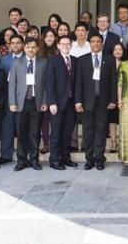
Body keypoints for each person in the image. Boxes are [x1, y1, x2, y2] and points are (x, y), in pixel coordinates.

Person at [75, 34, 118, 170]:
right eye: (92, 42)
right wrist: (78, 101)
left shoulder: (109, 59)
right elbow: (78, 83)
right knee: (88, 131)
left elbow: (113, 81)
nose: (95, 44)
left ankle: (100, 158)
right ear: (90, 43)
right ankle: (89, 159)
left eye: (98, 42)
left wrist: (113, 100)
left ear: (102, 43)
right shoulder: (82, 60)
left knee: (101, 129)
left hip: (104, 101)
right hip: (87, 101)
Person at [9, 37, 47, 171]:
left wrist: (44, 101)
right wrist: (12, 102)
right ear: (24, 48)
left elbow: (46, 85)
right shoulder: (16, 62)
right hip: (21, 102)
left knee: (35, 133)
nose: (30, 49)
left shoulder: (43, 63)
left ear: (37, 48)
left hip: (36, 102)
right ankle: (21, 160)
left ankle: (34, 160)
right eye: (28, 47)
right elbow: (12, 83)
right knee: (21, 133)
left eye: (33, 47)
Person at [45, 36, 78, 170]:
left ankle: (65, 158)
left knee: (67, 132)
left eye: (68, 44)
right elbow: (49, 83)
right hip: (57, 103)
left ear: (71, 46)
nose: (65, 46)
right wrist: (52, 102)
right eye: (63, 44)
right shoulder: (53, 61)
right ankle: (54, 160)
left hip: (71, 103)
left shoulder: (75, 61)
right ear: (58, 46)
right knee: (56, 133)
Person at [0, 34, 24, 165]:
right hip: (8, 97)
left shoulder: (28, 58)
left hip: (24, 98)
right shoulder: (4, 60)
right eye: (12, 43)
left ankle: (22, 155)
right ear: (9, 45)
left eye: (18, 43)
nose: (15, 45)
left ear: (23, 44)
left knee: (22, 127)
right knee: (7, 126)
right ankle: (6, 154)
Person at [38, 28, 58, 153]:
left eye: (51, 36)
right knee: (45, 118)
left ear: (55, 38)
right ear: (43, 38)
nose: (49, 38)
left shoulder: (58, 51)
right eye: (47, 36)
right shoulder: (39, 53)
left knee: (55, 118)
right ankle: (46, 143)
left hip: (56, 88)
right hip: (42, 88)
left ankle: (56, 143)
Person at [109, 43, 126, 152]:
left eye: (120, 49)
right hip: (111, 96)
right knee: (112, 120)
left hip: (123, 96)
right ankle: (113, 142)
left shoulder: (126, 64)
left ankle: (122, 142)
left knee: (123, 120)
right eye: (115, 49)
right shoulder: (107, 62)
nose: (118, 51)